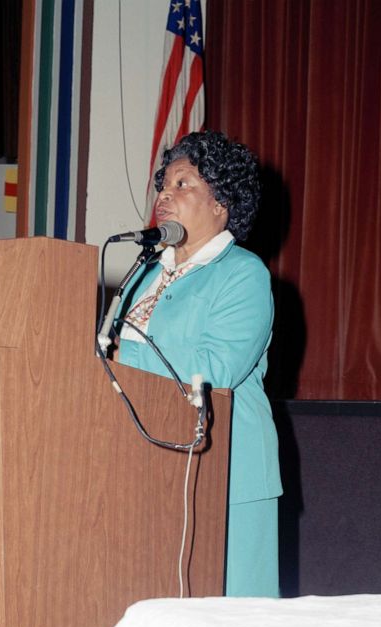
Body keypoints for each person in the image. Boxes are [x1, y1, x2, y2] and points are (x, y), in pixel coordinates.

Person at [116, 130, 282, 597]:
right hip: (147, 465)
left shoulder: (243, 273)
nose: (165, 196)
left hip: (227, 472)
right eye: (163, 186)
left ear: (220, 203)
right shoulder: (144, 272)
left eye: (184, 184)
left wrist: (118, 356)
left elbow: (214, 369)